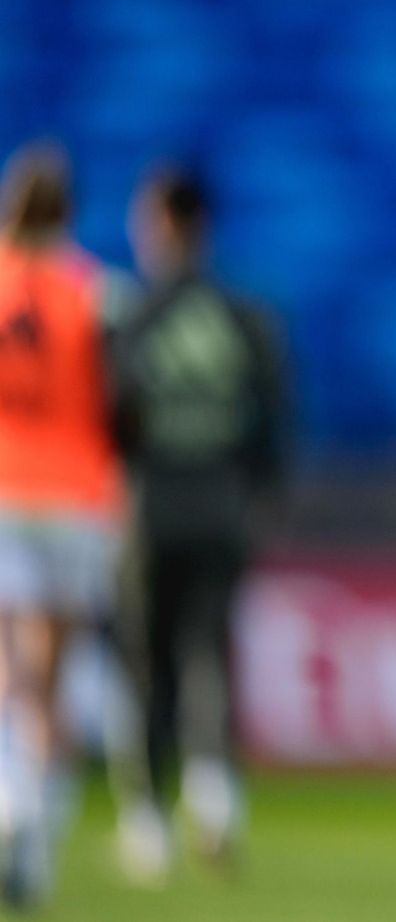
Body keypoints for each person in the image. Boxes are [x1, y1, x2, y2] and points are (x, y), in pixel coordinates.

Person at [107, 166, 287, 881]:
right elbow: (274, 420)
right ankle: (214, 800)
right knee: (210, 651)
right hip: (222, 510)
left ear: (161, 224)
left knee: (147, 665)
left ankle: (146, 820)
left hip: (149, 509)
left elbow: (113, 419)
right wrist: (262, 496)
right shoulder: (246, 318)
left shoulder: (133, 317)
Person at [0, 139, 127, 906]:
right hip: (82, 498)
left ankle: (10, 796)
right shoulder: (99, 292)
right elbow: (128, 404)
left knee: (8, 663)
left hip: (5, 493)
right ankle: (40, 835)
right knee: (59, 675)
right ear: (70, 212)